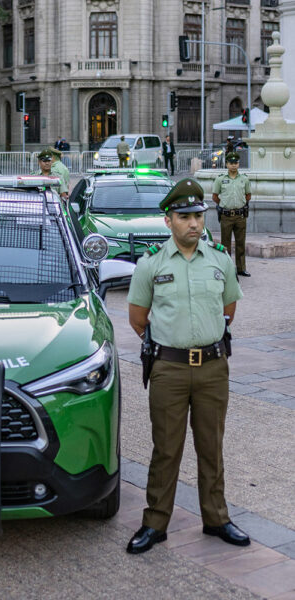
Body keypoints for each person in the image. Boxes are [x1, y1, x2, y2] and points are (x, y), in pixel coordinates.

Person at [126, 177, 248, 554]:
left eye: (198, 215)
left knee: (211, 446)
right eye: (184, 216)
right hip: (170, 369)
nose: (193, 223)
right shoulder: (151, 264)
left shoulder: (221, 261)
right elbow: (137, 318)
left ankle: (216, 518)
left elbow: (228, 309)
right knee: (166, 447)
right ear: (169, 220)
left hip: (213, 367)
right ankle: (155, 522)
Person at [212, 152, 252, 277]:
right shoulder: (220, 179)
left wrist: (240, 204)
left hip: (240, 216)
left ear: (238, 164)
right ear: (227, 164)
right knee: (225, 244)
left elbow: (248, 195)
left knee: (241, 243)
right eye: (231, 163)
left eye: (236, 163)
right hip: (226, 216)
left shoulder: (244, 179)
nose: (234, 165)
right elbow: (214, 196)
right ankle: (227, 268)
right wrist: (224, 204)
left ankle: (241, 268)